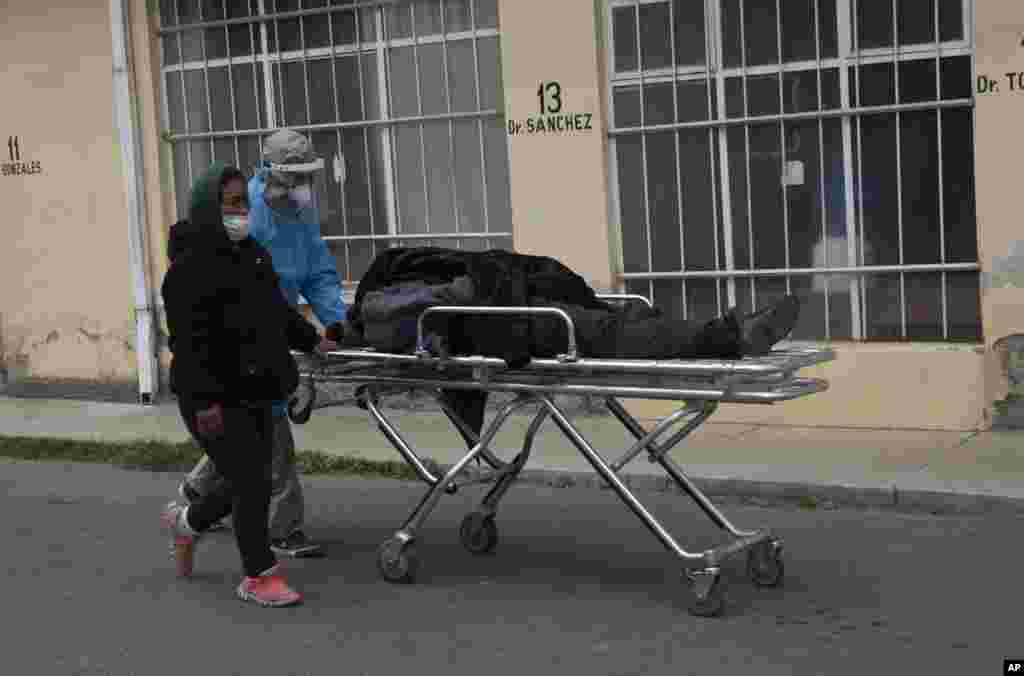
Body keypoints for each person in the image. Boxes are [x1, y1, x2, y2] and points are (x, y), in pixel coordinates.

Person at [161, 161, 339, 607]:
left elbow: (276, 312)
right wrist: (204, 403)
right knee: (252, 481)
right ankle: (259, 575)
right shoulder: (187, 270)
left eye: (244, 202)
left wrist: (313, 340)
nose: (241, 211)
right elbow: (192, 343)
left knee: (248, 480)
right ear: (209, 208)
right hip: (212, 394)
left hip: (258, 385)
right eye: (232, 203)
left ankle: (189, 522)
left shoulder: (253, 255)